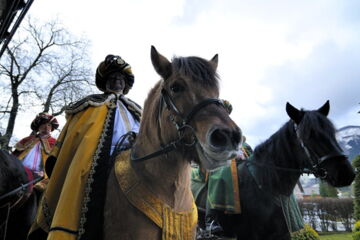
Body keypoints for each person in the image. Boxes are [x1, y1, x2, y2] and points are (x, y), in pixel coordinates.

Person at [28, 55, 142, 240]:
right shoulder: (88, 107)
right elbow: (71, 139)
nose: (116, 82)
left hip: (132, 165)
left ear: (126, 84)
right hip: (93, 167)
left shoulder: (137, 111)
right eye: (112, 78)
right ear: (105, 82)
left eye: (120, 79)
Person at [12, 112, 59, 185]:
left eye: (49, 125)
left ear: (52, 128)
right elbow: (14, 156)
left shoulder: (55, 143)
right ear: (38, 127)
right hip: (20, 172)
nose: (46, 127)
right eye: (43, 124)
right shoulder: (26, 140)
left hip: (41, 177)